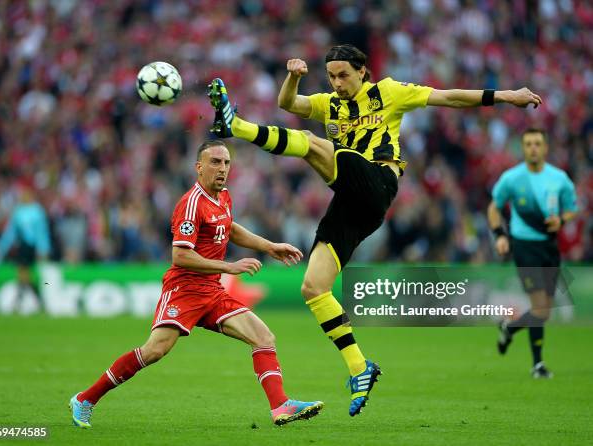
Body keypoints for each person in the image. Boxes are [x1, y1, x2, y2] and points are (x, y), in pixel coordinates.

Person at [207, 44, 543, 416]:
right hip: (353, 203)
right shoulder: (328, 103)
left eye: (344, 75)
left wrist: (507, 96)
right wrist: (294, 77)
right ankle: (359, 367)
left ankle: (234, 125)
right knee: (314, 287)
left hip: (379, 182)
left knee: (312, 145)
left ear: (363, 71)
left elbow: (449, 97)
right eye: (332, 76)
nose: (337, 83)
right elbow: (289, 104)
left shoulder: (389, 92)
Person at [69, 140, 323, 428]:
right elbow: (180, 255)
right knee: (154, 351)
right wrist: (229, 266)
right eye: (215, 162)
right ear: (198, 167)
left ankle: (280, 406)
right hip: (184, 291)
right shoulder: (190, 204)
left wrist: (269, 246)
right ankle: (85, 399)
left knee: (263, 337)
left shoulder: (223, 196)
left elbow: (228, 227)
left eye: (226, 162)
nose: (222, 168)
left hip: (211, 291)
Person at [487, 128, 578, 378]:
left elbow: (572, 209)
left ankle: (510, 328)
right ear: (523, 148)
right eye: (528, 144)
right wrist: (500, 236)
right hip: (524, 246)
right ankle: (537, 365)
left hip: (549, 247)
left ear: (545, 147)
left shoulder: (559, 179)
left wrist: (562, 220)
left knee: (544, 311)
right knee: (539, 307)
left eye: (538, 143)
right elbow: (494, 208)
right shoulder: (512, 178)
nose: (533, 148)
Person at [0, 184, 50, 313]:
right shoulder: (19, 212)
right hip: (23, 246)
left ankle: (23, 300)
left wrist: (43, 249)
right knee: (23, 274)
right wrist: (0, 250)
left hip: (31, 247)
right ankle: (31, 300)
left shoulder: (37, 211)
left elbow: (41, 232)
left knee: (25, 274)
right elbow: (10, 234)